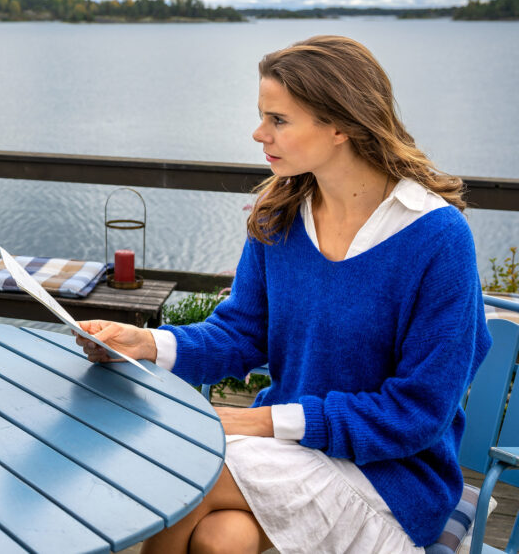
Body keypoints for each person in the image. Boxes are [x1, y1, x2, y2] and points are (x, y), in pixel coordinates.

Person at [77, 35, 490, 553]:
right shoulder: (281, 216)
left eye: (278, 120)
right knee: (221, 539)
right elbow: (242, 332)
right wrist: (146, 344)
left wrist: (262, 420)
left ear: (341, 124)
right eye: (262, 116)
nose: (258, 133)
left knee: (181, 476)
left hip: (392, 479)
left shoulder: (436, 239)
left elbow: (419, 413)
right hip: (288, 449)